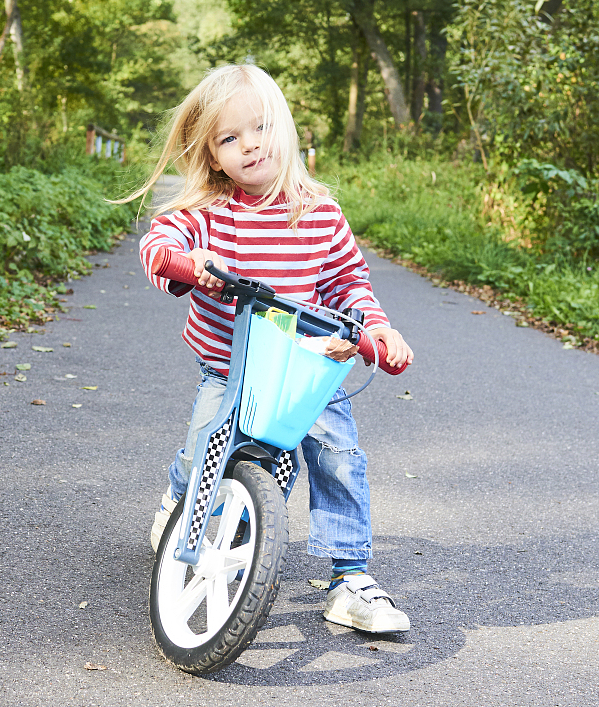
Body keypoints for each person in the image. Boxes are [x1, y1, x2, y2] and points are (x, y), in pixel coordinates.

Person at [121, 64, 414, 634]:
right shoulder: (208, 213)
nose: (250, 144)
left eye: (259, 127)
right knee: (203, 449)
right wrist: (188, 263)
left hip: (307, 368)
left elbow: (350, 283)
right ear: (212, 155)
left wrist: (376, 331)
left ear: (285, 127)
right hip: (231, 367)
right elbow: (160, 244)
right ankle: (180, 500)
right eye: (229, 138)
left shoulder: (319, 211)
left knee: (339, 458)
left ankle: (349, 577)